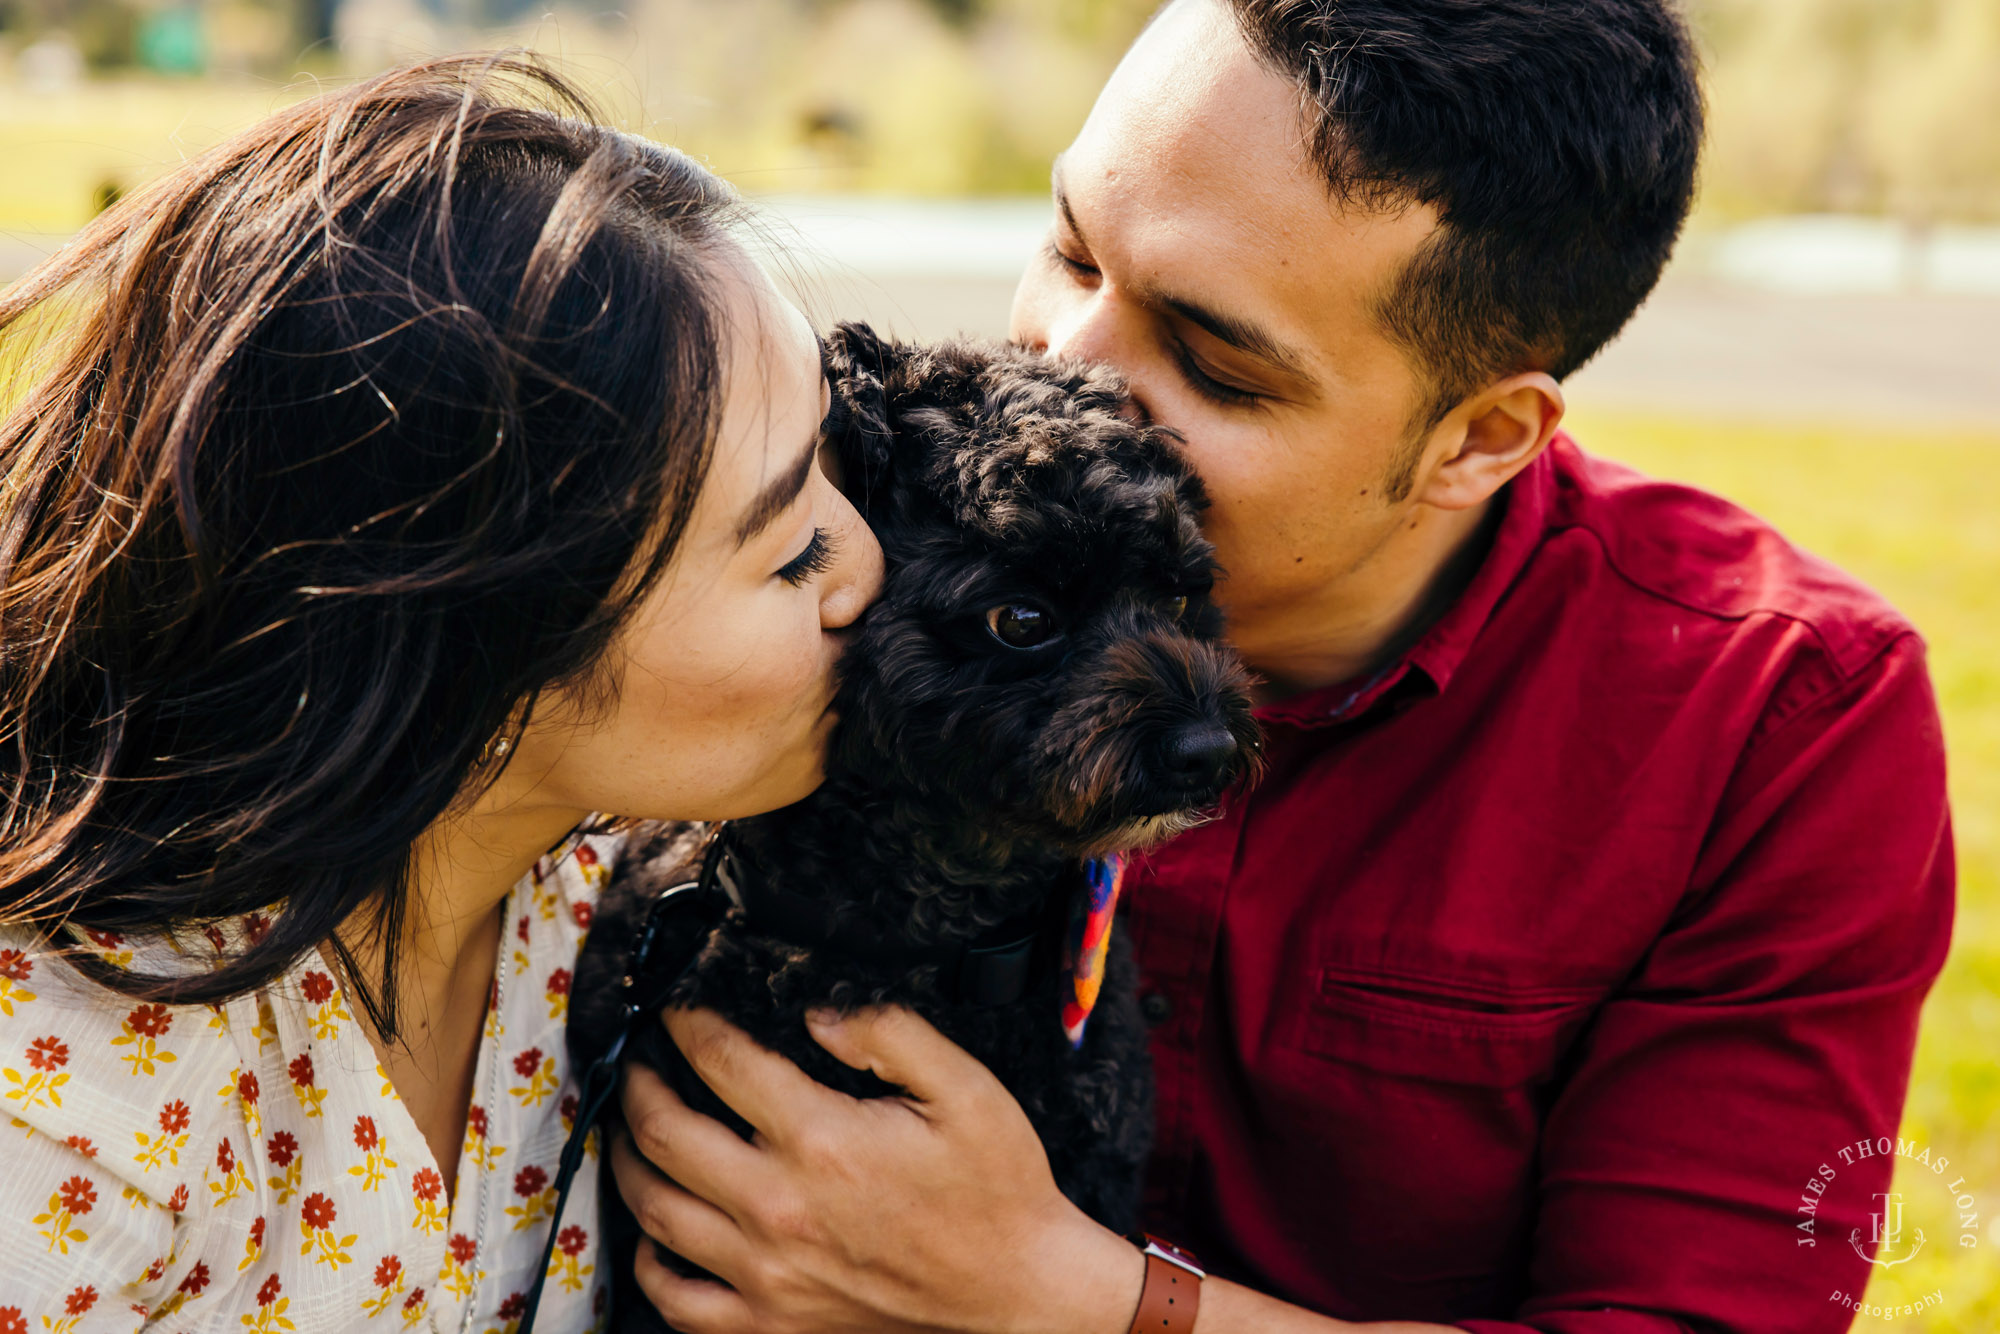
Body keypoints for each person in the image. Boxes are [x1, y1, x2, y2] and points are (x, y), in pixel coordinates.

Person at [609, 2, 1955, 1332]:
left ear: (1484, 436)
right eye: (1071, 249)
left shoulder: (1779, 717)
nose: (1065, 364)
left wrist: (1068, 1299)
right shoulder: (853, 525)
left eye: (1212, 363)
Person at [0, 56, 881, 1328]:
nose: (868, 566)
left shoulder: (602, 906)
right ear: (478, 641)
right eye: (789, 542)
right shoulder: (66, 1121)